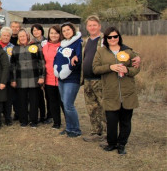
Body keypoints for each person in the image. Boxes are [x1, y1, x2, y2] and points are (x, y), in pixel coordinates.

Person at [81, 15, 141, 143]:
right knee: (92, 107)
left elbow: (125, 49)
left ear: (99, 26)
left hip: (102, 80)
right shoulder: (86, 41)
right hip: (88, 79)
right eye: (89, 25)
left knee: (106, 108)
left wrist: (137, 56)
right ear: (86, 27)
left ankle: (109, 135)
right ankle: (96, 132)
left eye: (94, 25)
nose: (92, 27)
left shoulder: (107, 38)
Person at [92, 27, 139, 155]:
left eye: (115, 36)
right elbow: (95, 69)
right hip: (110, 91)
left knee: (125, 121)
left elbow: (136, 68)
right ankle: (111, 143)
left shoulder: (128, 51)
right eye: (110, 37)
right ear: (106, 39)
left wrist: (127, 70)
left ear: (119, 37)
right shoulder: (101, 51)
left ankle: (122, 144)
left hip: (127, 91)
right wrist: (110, 67)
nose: (113, 39)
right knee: (111, 120)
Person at [10, 29, 45, 128]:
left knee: (34, 101)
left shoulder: (36, 46)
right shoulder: (15, 49)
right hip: (21, 79)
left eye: (23, 36)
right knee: (22, 100)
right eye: (20, 36)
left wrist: (42, 77)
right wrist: (13, 79)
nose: (22, 38)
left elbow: (41, 62)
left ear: (27, 36)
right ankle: (24, 120)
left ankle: (34, 120)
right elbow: (13, 65)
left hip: (34, 78)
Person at [53, 22, 82, 138]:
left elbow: (78, 59)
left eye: (68, 30)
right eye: (63, 31)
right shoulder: (62, 44)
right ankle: (69, 127)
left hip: (72, 78)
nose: (66, 32)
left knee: (68, 104)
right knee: (65, 104)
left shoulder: (77, 43)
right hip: (61, 77)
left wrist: (71, 65)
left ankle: (75, 129)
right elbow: (57, 58)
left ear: (73, 30)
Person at [42, 25, 63, 129]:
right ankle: (56, 122)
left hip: (62, 80)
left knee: (64, 103)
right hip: (49, 79)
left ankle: (70, 123)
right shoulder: (45, 47)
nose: (54, 35)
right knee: (52, 102)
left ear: (60, 34)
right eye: (51, 33)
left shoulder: (64, 46)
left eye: (56, 33)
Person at [29, 23, 49, 123]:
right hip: (37, 71)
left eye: (38, 30)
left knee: (48, 95)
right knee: (39, 95)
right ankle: (42, 115)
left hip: (48, 70)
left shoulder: (47, 41)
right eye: (34, 30)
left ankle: (49, 115)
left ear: (41, 30)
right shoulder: (31, 43)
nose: (36, 32)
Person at [0, 27, 16, 125]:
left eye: (7, 35)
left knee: (9, 99)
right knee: (0, 98)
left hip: (9, 76)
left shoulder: (13, 47)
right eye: (4, 35)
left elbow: (14, 64)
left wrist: (13, 78)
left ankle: (8, 118)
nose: (5, 37)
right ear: (0, 36)